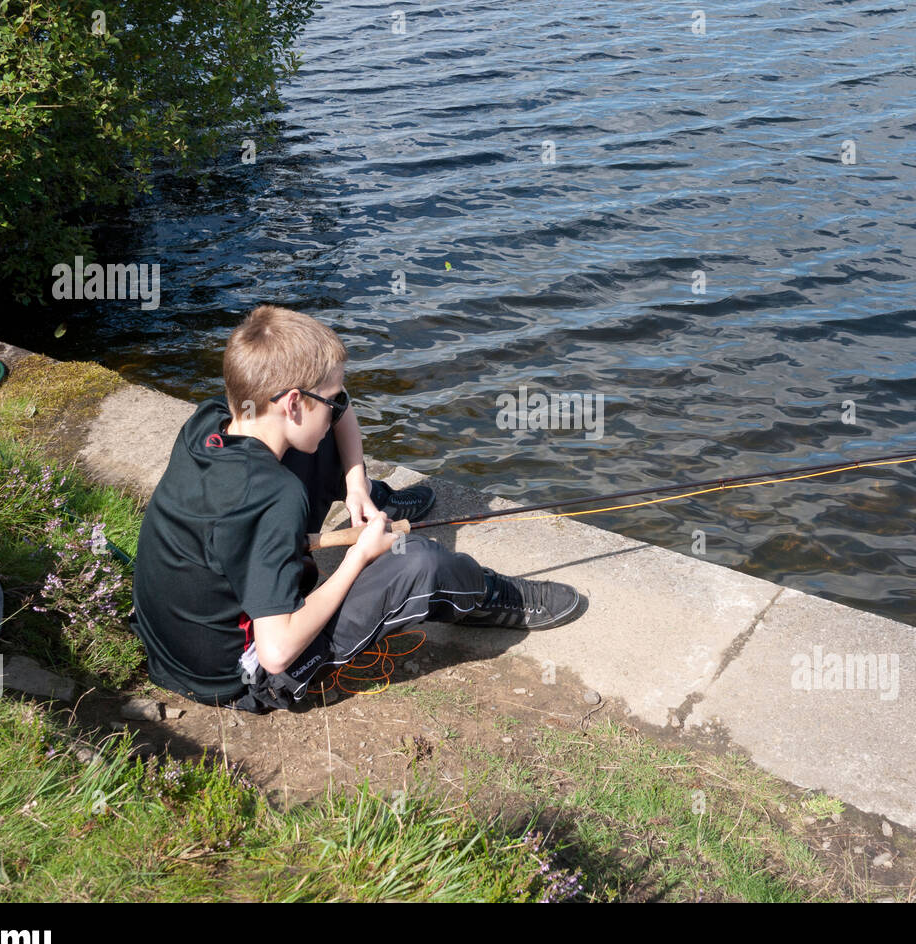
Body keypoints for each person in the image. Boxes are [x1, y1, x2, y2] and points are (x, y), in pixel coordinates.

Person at [131, 305, 584, 712]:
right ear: (292, 402)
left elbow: (333, 415)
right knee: (418, 561)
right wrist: (358, 557)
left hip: (173, 645)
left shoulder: (211, 423)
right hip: (241, 676)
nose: (342, 408)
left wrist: (355, 485)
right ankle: (487, 596)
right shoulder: (272, 498)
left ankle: (371, 495)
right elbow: (277, 652)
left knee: (312, 438)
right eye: (333, 399)